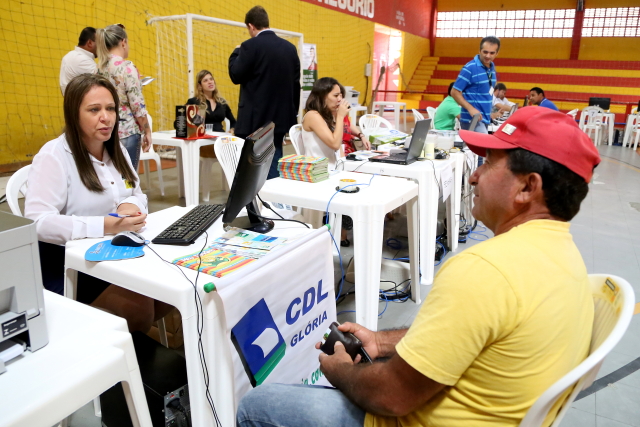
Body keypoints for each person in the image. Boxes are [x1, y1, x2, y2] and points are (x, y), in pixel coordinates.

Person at [236, 106, 601, 427]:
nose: (474, 176)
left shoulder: (485, 271)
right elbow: (465, 336)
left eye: (488, 163)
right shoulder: (566, 257)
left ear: (527, 188)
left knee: (257, 406)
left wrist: (340, 370)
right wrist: (381, 341)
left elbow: (390, 396)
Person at [25, 74, 172, 333]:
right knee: (139, 307)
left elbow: (136, 193)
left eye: (110, 108)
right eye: (94, 110)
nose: (106, 117)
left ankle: (128, 342)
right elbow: (38, 222)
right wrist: (105, 225)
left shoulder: (117, 149)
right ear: (74, 114)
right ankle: (118, 349)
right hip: (67, 263)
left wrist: (129, 206)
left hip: (113, 252)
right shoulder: (54, 156)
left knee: (170, 289)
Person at [229, 6, 301, 179]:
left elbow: (235, 75)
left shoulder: (249, 46)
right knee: (274, 162)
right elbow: (295, 85)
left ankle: (258, 196)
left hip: (254, 122)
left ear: (251, 26)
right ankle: (274, 193)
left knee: (252, 170)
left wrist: (236, 52)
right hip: (280, 120)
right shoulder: (290, 48)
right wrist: (292, 115)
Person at [301, 77, 368, 247]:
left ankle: (345, 231)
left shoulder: (327, 115)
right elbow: (334, 143)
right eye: (336, 95)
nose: (340, 99)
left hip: (332, 170)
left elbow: (339, 148)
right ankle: (339, 233)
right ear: (323, 95)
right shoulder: (313, 115)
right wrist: (340, 117)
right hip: (317, 174)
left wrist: (359, 134)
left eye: (341, 95)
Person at [96, 24, 151, 171]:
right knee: (128, 176)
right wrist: (147, 131)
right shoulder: (127, 67)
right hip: (127, 131)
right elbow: (137, 105)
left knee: (111, 176)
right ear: (123, 42)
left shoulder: (99, 69)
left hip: (106, 130)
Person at [451, 36, 500, 133]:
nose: (488, 56)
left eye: (492, 53)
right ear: (479, 50)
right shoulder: (469, 68)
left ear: (497, 53)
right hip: (472, 119)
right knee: (484, 142)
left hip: (485, 118)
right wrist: (471, 109)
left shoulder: (491, 68)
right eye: (485, 52)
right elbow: (454, 92)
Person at [186, 70, 237, 158]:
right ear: (200, 86)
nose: (210, 82)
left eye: (211, 79)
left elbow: (234, 122)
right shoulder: (194, 102)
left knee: (237, 148)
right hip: (202, 141)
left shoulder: (222, 103)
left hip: (220, 139)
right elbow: (182, 122)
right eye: (205, 80)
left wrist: (232, 130)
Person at [59, 27, 98, 96]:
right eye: (100, 43)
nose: (102, 47)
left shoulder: (70, 55)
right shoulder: (82, 59)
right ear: (89, 43)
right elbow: (108, 79)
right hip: (80, 101)